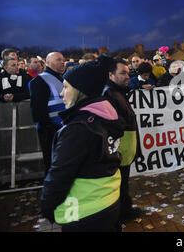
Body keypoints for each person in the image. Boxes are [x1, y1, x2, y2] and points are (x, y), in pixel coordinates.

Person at [40, 55, 123, 232]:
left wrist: (47, 207)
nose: (62, 93)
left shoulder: (78, 128)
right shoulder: (106, 116)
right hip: (109, 201)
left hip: (84, 211)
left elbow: (59, 174)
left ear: (80, 91)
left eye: (66, 87)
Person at [103, 58, 142, 223]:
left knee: (123, 182)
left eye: (128, 72)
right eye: (123, 73)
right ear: (111, 75)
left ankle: (124, 210)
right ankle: (121, 214)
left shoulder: (117, 92)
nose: (127, 76)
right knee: (120, 182)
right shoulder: (109, 94)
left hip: (125, 148)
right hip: (120, 149)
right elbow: (113, 122)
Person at [29, 52, 66, 175]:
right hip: (50, 130)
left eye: (63, 60)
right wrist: (49, 127)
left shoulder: (63, 78)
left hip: (64, 128)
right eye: (58, 60)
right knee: (52, 164)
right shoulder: (40, 80)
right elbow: (38, 109)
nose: (62, 62)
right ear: (48, 63)